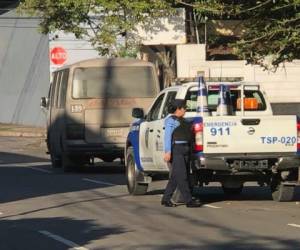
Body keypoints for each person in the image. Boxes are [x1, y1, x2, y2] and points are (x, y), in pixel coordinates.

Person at [161, 99, 201, 208]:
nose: (185, 109)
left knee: (175, 176)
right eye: (183, 107)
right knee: (182, 176)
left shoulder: (184, 120)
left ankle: (165, 199)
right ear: (178, 109)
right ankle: (189, 200)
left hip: (186, 149)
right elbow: (167, 137)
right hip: (177, 149)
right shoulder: (171, 121)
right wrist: (167, 152)